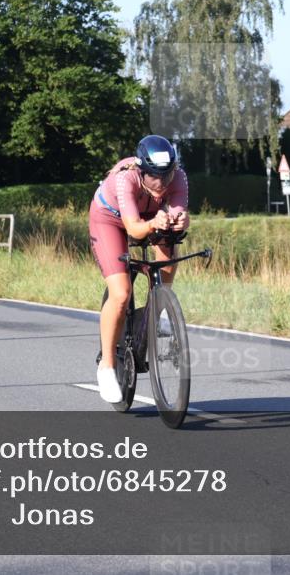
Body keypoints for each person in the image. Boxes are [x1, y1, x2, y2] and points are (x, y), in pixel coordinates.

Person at [88, 135, 189, 402]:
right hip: (110, 219)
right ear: (141, 170)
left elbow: (179, 212)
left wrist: (180, 221)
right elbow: (133, 228)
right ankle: (107, 366)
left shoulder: (178, 177)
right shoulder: (126, 179)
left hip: (147, 216)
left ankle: (161, 304)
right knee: (120, 293)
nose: (161, 184)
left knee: (170, 235)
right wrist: (155, 221)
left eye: (166, 176)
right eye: (154, 177)